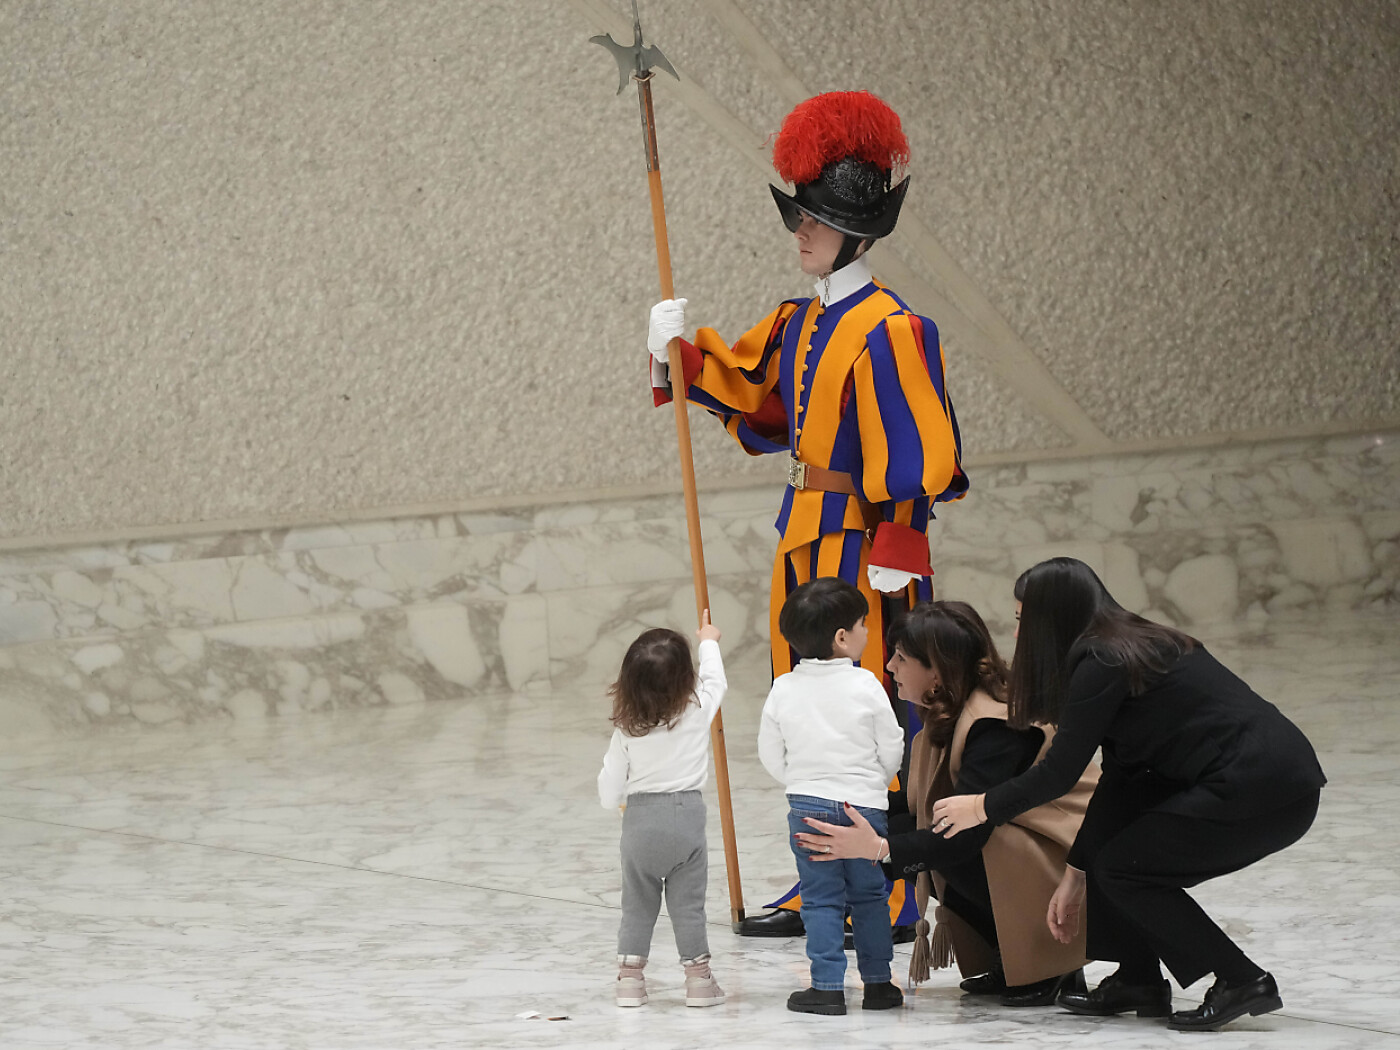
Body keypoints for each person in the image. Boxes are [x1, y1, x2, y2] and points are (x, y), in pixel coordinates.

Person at [649, 88, 968, 938]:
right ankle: (822, 880)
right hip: (805, 538)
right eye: (800, 216)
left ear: (859, 232)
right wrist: (676, 352)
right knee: (809, 710)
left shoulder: (891, 328)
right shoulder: (804, 321)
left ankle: (890, 885)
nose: (802, 231)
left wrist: (901, 542)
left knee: (875, 711)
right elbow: (755, 396)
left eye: (817, 220)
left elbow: (917, 447)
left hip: (869, 548)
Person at [932, 558, 1326, 1031]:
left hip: (1262, 788)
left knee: (1126, 869)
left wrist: (980, 806)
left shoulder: (1102, 660)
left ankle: (1241, 979)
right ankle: (1139, 979)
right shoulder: (1122, 645)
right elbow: (1120, 776)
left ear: (1049, 618)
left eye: (1022, 621)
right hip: (1264, 780)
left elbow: (1059, 773)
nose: (1017, 635)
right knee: (1110, 857)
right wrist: (1076, 871)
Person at [794, 600, 1100, 1007]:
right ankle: (1010, 957)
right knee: (910, 834)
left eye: (901, 658)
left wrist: (878, 848)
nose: (889, 668)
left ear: (936, 670)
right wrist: (840, 809)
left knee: (962, 846)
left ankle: (1050, 963)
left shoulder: (997, 725)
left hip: (1071, 864)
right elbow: (915, 805)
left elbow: (963, 836)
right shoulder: (952, 711)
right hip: (1021, 850)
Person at [757, 577, 905, 1015]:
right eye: (863, 624)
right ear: (843, 638)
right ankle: (879, 985)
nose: (867, 632)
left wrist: (800, 780)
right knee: (870, 896)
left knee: (820, 899)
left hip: (807, 805)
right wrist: (874, 783)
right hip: (864, 808)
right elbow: (892, 743)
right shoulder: (866, 684)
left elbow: (770, 751)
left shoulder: (783, 687)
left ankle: (825, 987)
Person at [597, 610, 727, 1009]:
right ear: (686, 679)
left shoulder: (627, 730)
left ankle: (630, 982)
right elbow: (716, 681)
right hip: (686, 820)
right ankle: (700, 982)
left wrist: (614, 804)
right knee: (688, 908)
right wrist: (708, 639)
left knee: (637, 905)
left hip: (639, 823)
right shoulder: (697, 711)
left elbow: (609, 781)